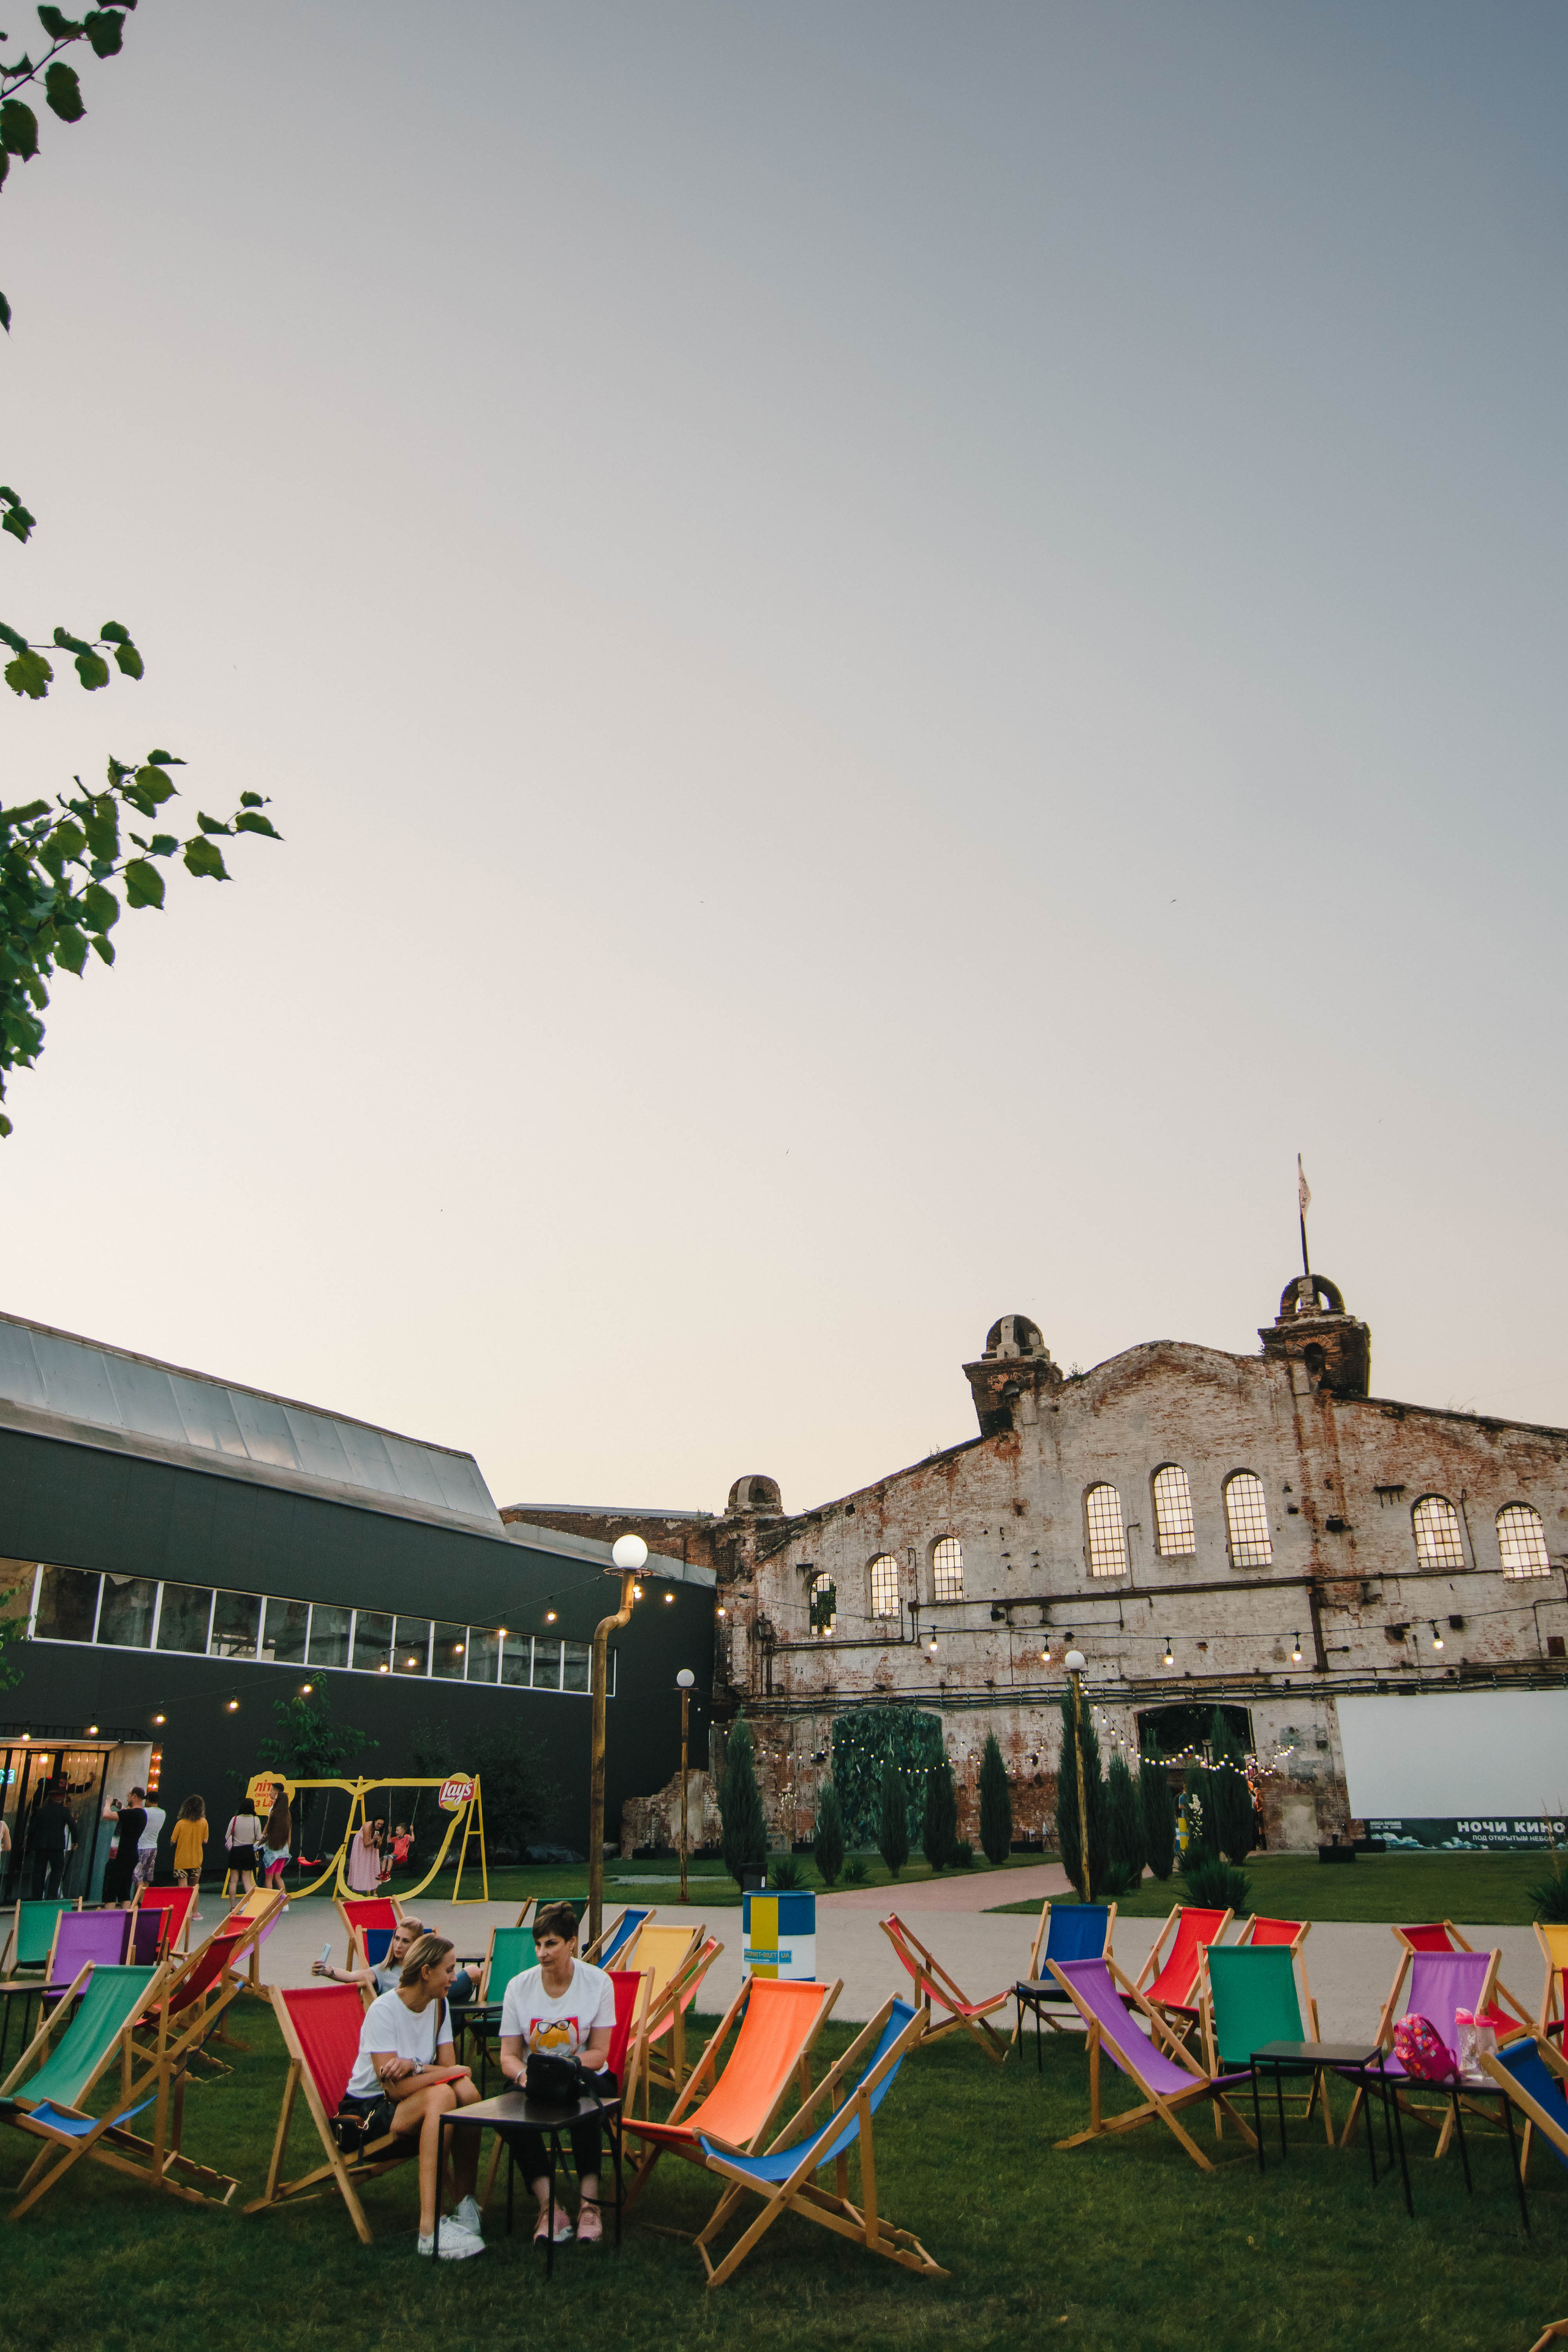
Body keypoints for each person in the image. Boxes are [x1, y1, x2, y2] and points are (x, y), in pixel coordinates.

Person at [340, 1931, 484, 2259]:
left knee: (467, 2092)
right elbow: (396, 2087)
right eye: (449, 1970)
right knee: (443, 2096)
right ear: (426, 1972)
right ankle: (429, 2229)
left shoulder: (439, 2006)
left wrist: (416, 2066)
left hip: (404, 2102)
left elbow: (452, 2071)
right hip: (366, 2114)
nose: (455, 1977)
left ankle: (464, 2206)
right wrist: (442, 2072)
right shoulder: (384, 2011)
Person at [496, 1899, 617, 2246]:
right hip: (534, 2078)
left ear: (571, 1943)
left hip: (584, 2074)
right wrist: (524, 2078)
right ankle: (551, 2207)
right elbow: (508, 2056)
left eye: (551, 1944)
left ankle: (590, 2206)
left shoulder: (597, 1983)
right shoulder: (519, 1987)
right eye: (538, 1944)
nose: (542, 1953)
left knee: (583, 2105)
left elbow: (599, 2052)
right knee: (508, 2110)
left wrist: (570, 2067)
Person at [103, 1789, 147, 1904]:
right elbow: (127, 1816)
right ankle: (126, 1921)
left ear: (135, 1796)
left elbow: (106, 1815)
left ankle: (110, 1920)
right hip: (132, 1855)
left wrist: (108, 1804)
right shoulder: (142, 1814)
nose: (128, 1798)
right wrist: (121, 1807)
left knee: (111, 1892)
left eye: (129, 1795)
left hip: (119, 1855)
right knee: (125, 1892)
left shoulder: (130, 1814)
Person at [29, 1788, 72, 1899]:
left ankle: (37, 1896)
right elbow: (73, 1826)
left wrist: (29, 1843)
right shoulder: (64, 1811)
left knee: (39, 1871)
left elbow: (32, 1828)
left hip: (41, 1845)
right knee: (57, 1870)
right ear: (61, 1798)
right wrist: (75, 1841)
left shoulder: (41, 1811)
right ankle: (51, 1895)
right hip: (57, 1846)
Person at [171, 1795, 208, 1921]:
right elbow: (205, 1840)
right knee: (194, 1887)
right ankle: (195, 1912)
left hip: (181, 1860)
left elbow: (172, 1840)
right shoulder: (204, 1822)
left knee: (183, 1888)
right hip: (197, 1860)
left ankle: (184, 1913)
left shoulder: (180, 1823)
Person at [222, 1801, 262, 1897]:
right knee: (247, 1881)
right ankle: (251, 1904)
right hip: (248, 1851)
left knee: (233, 1881)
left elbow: (227, 1836)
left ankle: (232, 1907)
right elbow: (259, 1837)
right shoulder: (255, 1819)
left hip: (236, 1851)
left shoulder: (235, 1819)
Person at [134, 1790, 167, 1891]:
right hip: (153, 1846)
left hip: (142, 1847)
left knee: (137, 1876)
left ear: (147, 1800)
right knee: (147, 1876)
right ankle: (143, 1902)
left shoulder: (145, 1812)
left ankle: (139, 1899)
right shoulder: (163, 1813)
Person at [260, 1790, 292, 1894]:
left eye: (276, 1798)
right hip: (284, 1850)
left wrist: (262, 1838)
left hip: (273, 1849)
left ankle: (269, 1902)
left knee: (268, 1878)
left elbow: (268, 1830)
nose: (274, 1799)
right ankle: (284, 1899)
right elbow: (289, 1836)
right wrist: (288, 1849)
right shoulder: (288, 1816)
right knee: (278, 1877)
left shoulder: (274, 1813)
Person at [345, 1815, 382, 1894]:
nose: (379, 1826)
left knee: (373, 1866)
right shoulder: (367, 1826)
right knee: (361, 1865)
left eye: (381, 1825)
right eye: (378, 1824)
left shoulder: (381, 1830)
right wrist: (373, 1840)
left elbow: (378, 1847)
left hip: (372, 1848)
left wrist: (378, 1842)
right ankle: (357, 1890)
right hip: (362, 1846)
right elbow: (365, 1844)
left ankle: (374, 1891)